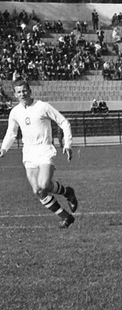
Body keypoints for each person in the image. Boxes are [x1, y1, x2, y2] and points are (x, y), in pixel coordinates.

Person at [0, 80, 79, 228]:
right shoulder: (15, 112)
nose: (22, 94)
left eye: (24, 90)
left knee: (44, 184)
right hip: (28, 153)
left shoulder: (42, 106)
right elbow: (11, 133)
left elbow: (64, 122)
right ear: (15, 94)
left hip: (44, 149)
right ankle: (66, 217)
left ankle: (68, 192)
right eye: (18, 92)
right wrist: (4, 148)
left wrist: (67, 144)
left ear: (30, 91)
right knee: (37, 190)